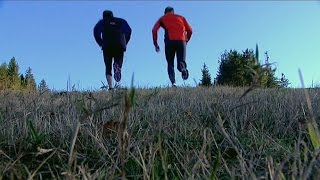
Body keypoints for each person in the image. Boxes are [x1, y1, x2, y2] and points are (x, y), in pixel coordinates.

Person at [152, 6, 193, 87]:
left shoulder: (162, 18)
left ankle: (173, 83)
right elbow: (190, 30)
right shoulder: (181, 17)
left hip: (169, 42)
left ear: (165, 12)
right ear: (173, 12)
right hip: (181, 41)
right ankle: (183, 68)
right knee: (181, 62)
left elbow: (154, 30)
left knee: (170, 63)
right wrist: (186, 40)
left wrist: (156, 44)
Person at [94, 10, 132, 90]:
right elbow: (129, 31)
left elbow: (96, 32)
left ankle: (111, 87)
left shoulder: (102, 22)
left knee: (108, 66)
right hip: (119, 44)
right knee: (118, 61)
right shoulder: (121, 21)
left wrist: (101, 43)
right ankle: (117, 66)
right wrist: (125, 43)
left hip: (107, 45)